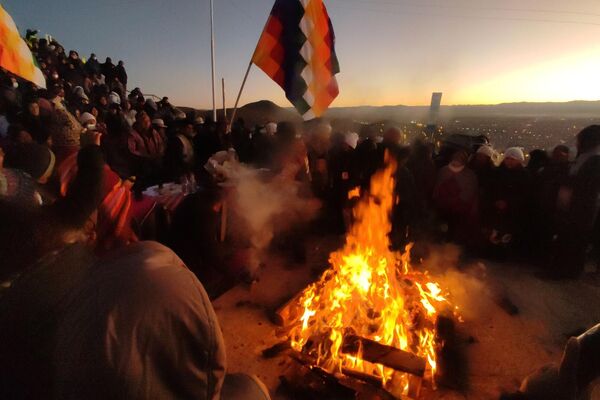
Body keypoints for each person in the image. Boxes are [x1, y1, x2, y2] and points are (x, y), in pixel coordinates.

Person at [551, 126, 600, 278]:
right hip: (574, 209)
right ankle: (564, 270)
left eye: (579, 140)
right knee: (570, 240)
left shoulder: (594, 160)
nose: (577, 144)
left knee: (574, 241)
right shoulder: (585, 158)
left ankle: (567, 272)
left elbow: (587, 187)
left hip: (580, 210)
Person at [433, 150, 479, 245]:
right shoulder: (444, 171)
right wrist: (439, 199)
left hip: (459, 209)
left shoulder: (469, 175)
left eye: (459, 159)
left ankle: (452, 250)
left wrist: (458, 200)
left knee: (456, 231)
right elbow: (437, 186)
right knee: (440, 229)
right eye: (455, 159)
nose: (457, 161)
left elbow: (470, 191)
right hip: (443, 207)